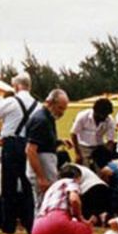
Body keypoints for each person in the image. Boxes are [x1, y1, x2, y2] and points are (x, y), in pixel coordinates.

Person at [17, 165, 93, 234]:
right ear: (77, 177)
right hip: (57, 221)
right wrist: (80, 217)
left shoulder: (52, 188)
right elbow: (74, 200)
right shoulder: (71, 182)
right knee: (87, 231)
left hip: (39, 225)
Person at [0, 73, 40, 234]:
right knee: (27, 184)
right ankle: (30, 223)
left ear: (16, 86)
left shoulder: (10, 101)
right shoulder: (38, 105)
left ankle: (8, 225)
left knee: (8, 184)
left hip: (11, 144)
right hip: (29, 144)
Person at [25, 89, 69, 220]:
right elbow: (31, 149)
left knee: (46, 202)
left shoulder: (48, 118)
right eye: (60, 108)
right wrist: (41, 177)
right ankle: (40, 232)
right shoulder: (41, 120)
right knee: (42, 204)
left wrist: (59, 142)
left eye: (64, 109)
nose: (61, 113)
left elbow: (43, 142)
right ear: (50, 103)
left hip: (47, 164)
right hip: (42, 168)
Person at [70, 98, 116, 168]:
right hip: (83, 147)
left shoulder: (109, 120)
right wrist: (77, 153)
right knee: (85, 169)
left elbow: (110, 141)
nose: (105, 117)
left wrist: (107, 155)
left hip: (99, 148)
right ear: (96, 112)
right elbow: (73, 133)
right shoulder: (83, 116)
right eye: (103, 115)